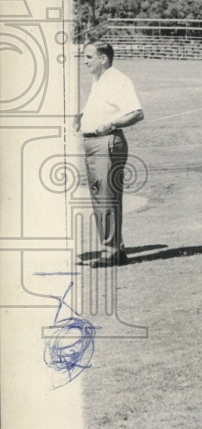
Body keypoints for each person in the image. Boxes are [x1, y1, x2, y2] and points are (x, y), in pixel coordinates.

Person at [74, 42, 144, 266]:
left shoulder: (118, 80)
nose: (85, 61)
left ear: (103, 59)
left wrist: (112, 123)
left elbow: (136, 113)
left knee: (107, 198)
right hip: (92, 144)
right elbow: (101, 106)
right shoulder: (99, 82)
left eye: (89, 57)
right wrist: (82, 115)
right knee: (100, 199)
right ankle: (116, 249)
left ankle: (110, 251)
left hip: (107, 144)